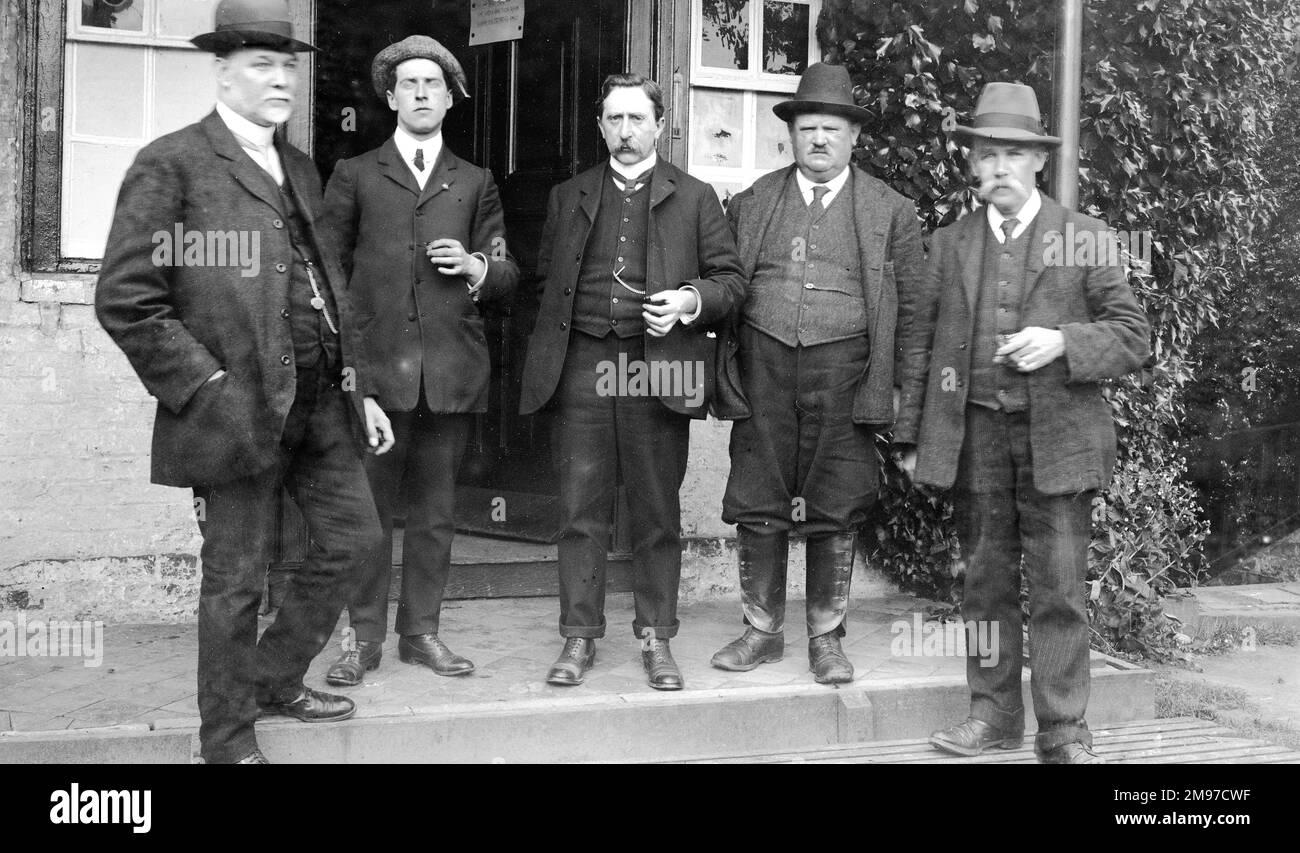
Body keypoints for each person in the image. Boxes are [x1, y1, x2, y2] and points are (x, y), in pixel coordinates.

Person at [94, 0, 395, 764]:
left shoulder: (299, 165)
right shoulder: (175, 163)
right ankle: (225, 741)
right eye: (260, 63)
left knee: (356, 544)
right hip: (235, 411)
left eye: (287, 63)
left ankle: (273, 676)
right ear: (222, 73)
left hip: (321, 405)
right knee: (234, 584)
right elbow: (127, 298)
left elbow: (328, 286)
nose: (280, 78)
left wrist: (360, 390)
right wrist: (205, 387)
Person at [894, 82, 1150, 763]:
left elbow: (1132, 336)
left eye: (1013, 154)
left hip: (1058, 442)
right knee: (985, 581)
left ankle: (1064, 729)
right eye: (987, 154)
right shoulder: (947, 246)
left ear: (1039, 162)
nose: (1000, 167)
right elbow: (919, 346)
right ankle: (993, 715)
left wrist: (1064, 340)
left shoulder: (1083, 237)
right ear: (973, 165)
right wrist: (913, 436)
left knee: (1060, 585)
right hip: (975, 434)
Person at [519, 73, 745, 690]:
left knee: (655, 511)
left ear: (659, 125)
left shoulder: (696, 197)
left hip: (659, 367)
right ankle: (577, 639)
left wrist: (689, 301)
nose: (625, 132)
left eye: (636, 120)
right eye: (614, 120)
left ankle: (655, 640)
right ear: (601, 127)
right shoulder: (570, 195)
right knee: (580, 509)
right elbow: (546, 282)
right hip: (587, 368)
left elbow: (731, 282)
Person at [710, 63, 924, 685]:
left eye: (832, 129)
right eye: (808, 129)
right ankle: (760, 631)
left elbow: (911, 315)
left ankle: (827, 639)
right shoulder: (752, 204)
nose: (820, 140)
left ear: (854, 137)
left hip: (848, 373)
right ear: (792, 136)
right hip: (764, 367)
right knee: (758, 499)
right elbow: (725, 286)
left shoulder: (892, 211)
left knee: (837, 501)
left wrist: (904, 410)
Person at [321, 36, 519, 686]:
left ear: (450, 97)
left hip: (450, 377)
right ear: (390, 95)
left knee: (435, 514)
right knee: (369, 515)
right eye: (409, 83)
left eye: (433, 84)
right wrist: (351, 375)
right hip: (376, 378)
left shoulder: (476, 181)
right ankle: (363, 639)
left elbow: (509, 270)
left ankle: (422, 633)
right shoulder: (354, 174)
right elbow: (326, 278)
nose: (422, 94)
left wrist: (476, 267)